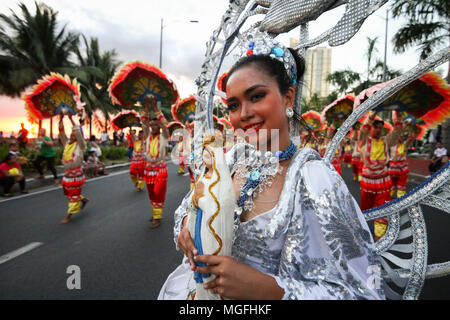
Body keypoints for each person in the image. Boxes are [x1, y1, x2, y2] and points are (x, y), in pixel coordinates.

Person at [159, 33, 384, 300]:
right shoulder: (229, 160)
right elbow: (189, 204)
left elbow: (364, 292)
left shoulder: (314, 180)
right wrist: (188, 225)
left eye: (256, 96)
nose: (243, 114)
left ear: (288, 98)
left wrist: (270, 289)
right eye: (233, 105)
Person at [358, 112, 403, 241]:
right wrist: (372, 116)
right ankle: (363, 235)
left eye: (380, 128)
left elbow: (396, 134)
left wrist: (398, 120)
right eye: (375, 127)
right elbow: (363, 130)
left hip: (383, 180)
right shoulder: (364, 140)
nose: (378, 130)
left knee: (382, 209)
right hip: (368, 181)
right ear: (370, 128)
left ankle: (379, 237)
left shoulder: (386, 141)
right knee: (365, 209)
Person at [142, 94, 169, 229]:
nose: (152, 127)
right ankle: (155, 213)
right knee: (151, 193)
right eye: (151, 125)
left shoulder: (163, 137)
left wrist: (155, 108)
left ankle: (157, 217)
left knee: (158, 193)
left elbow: (165, 124)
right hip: (149, 170)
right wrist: (146, 108)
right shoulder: (147, 137)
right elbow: (143, 123)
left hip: (160, 171)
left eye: (155, 125)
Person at [58, 113, 89, 224]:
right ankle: (84, 200)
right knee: (69, 193)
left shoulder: (81, 145)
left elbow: (78, 132)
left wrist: (71, 118)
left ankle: (68, 216)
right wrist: (61, 119)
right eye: (71, 135)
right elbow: (61, 133)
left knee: (73, 195)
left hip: (75, 175)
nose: (72, 136)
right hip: (67, 175)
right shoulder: (67, 143)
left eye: (74, 135)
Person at [388, 127, 416, 198]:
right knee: (391, 183)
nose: (401, 137)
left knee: (402, 184)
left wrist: (411, 127)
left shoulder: (405, 145)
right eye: (400, 136)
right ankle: (388, 196)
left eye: (402, 136)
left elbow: (411, 138)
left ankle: (400, 197)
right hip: (393, 167)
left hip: (402, 168)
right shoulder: (392, 144)